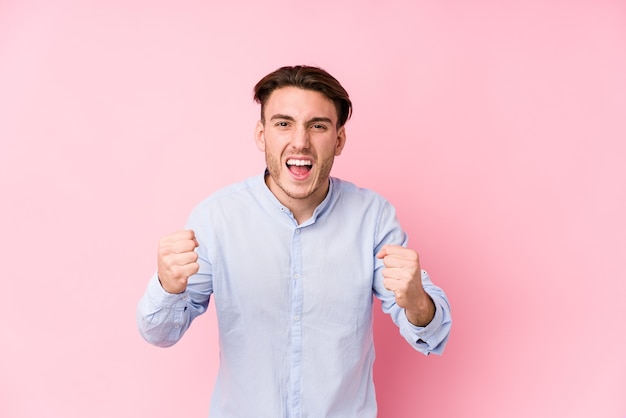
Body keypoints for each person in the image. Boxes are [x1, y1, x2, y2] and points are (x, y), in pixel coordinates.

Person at [137, 65, 452, 418]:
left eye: (317, 126)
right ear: (262, 135)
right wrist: (168, 286)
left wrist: (416, 302)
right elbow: (159, 333)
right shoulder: (216, 219)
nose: (300, 141)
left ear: (339, 139)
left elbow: (431, 332)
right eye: (283, 123)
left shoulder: (373, 217)